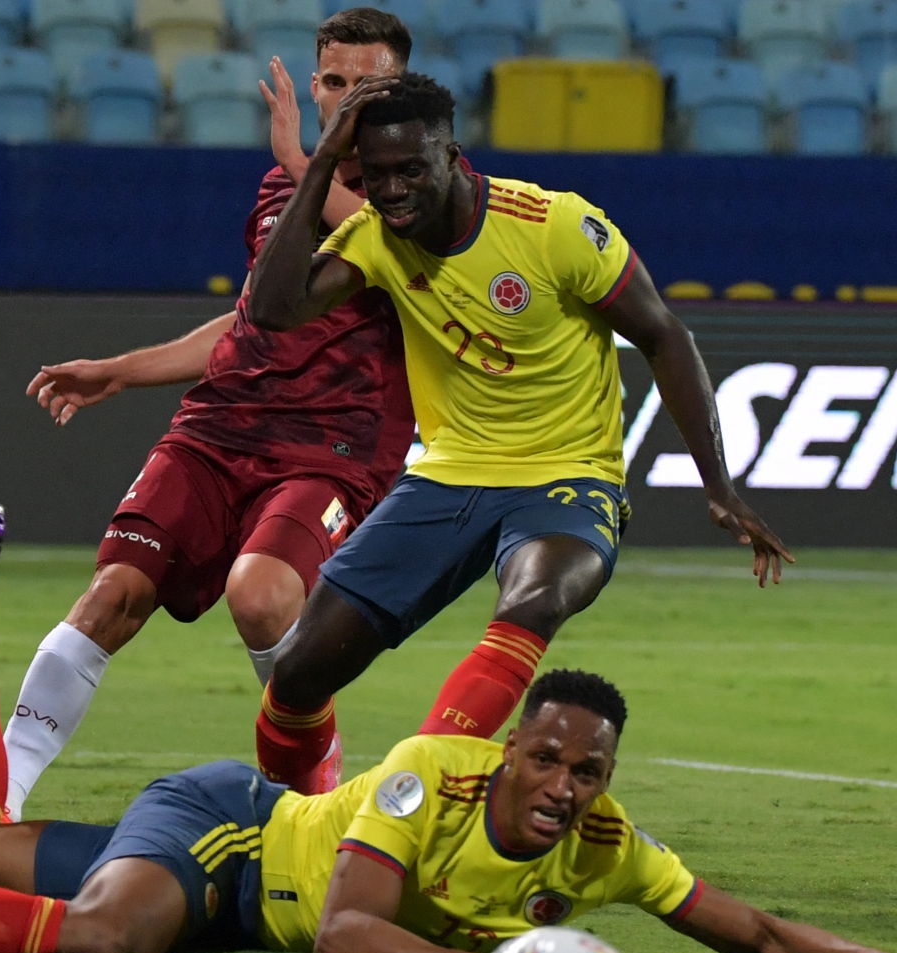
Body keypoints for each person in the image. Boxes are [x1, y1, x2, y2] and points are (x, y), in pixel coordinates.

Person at [0, 475, 897, 953]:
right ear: (515, 745)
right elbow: (351, 929)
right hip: (226, 842)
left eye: (584, 772)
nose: (558, 785)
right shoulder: (435, 778)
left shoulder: (599, 849)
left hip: (244, 876)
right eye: (544, 756)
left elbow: (747, 930)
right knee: (105, 934)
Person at [235, 73, 794, 793]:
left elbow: (664, 334)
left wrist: (718, 487)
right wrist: (319, 167)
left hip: (567, 476)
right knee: (299, 674)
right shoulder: (373, 236)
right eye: (375, 175)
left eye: (411, 170)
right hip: (448, 474)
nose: (394, 189)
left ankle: (418, 801)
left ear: (454, 157)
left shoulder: (554, 225)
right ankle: (292, 826)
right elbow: (273, 311)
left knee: (533, 599)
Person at [1, 8, 415, 818]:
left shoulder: (426, 190)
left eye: (368, 84)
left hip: (331, 445)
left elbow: (398, 255)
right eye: (333, 81)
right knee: (111, 594)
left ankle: (309, 783)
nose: (346, 98)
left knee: (259, 596)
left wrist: (303, 160)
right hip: (222, 425)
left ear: (402, 91)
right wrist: (121, 371)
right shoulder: (280, 189)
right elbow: (254, 315)